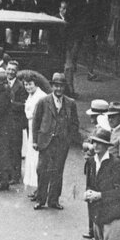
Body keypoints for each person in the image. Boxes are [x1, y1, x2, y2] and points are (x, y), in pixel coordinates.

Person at [30, 71, 80, 211]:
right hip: (45, 142)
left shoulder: (70, 103)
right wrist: (35, 140)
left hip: (61, 144)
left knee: (57, 172)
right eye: (56, 86)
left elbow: (75, 123)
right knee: (42, 170)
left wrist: (69, 138)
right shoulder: (43, 102)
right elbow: (36, 122)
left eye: (61, 86)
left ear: (64, 88)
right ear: (52, 86)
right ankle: (41, 199)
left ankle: (54, 200)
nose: (58, 89)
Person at [84, 128, 120, 240]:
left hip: (113, 216)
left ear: (107, 146)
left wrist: (100, 195)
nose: (95, 146)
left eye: (100, 143)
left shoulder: (115, 164)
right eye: (94, 142)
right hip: (97, 215)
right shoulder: (91, 162)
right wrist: (88, 193)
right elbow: (90, 184)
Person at [0, 60, 23, 192]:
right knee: (2, 154)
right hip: (3, 127)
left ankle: (3, 182)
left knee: (3, 155)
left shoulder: (3, 93)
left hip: (3, 128)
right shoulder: (4, 91)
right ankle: (2, 179)